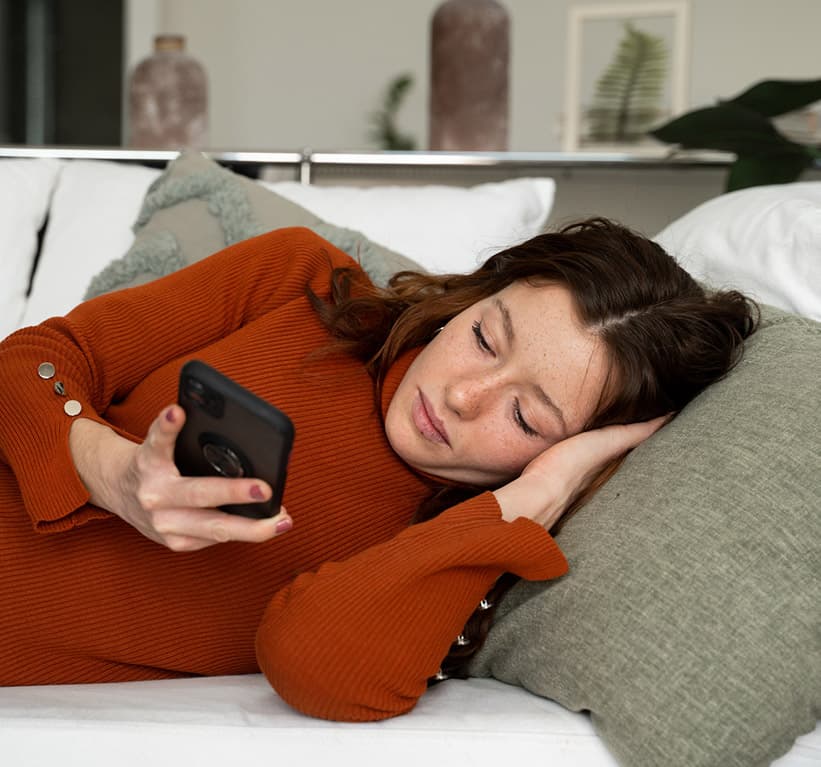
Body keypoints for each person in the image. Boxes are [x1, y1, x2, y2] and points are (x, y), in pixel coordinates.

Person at [0, 218, 758, 721]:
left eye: (527, 418)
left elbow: (314, 664)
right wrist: (113, 471)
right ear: (474, 295)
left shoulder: (448, 545)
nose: (462, 394)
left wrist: (535, 493)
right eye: (485, 338)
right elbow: (34, 360)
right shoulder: (294, 278)